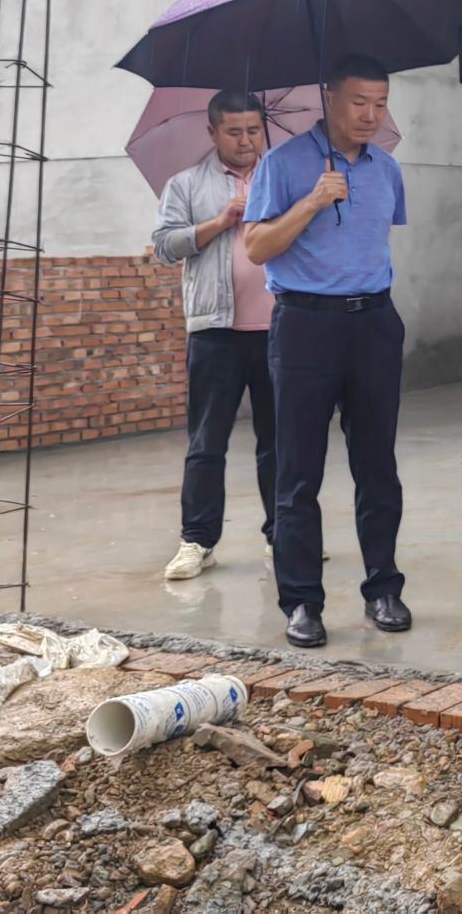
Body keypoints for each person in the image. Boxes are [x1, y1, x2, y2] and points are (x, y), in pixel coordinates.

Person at [243, 55, 411, 649]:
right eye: (359, 101)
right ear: (329, 98)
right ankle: (301, 601)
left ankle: (383, 588)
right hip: (305, 325)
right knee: (298, 470)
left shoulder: (387, 169)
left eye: (380, 103)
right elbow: (257, 246)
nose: (370, 114)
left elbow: (369, 242)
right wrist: (312, 201)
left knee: (378, 465)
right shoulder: (282, 163)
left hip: (374, 323)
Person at [151, 92, 276, 580]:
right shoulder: (185, 184)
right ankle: (198, 542)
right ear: (212, 132)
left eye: (253, 130)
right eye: (234, 131)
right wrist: (220, 221)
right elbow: (165, 246)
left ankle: (284, 534)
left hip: (279, 328)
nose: (245, 141)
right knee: (207, 443)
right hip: (215, 331)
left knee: (281, 440)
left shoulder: (281, 176)